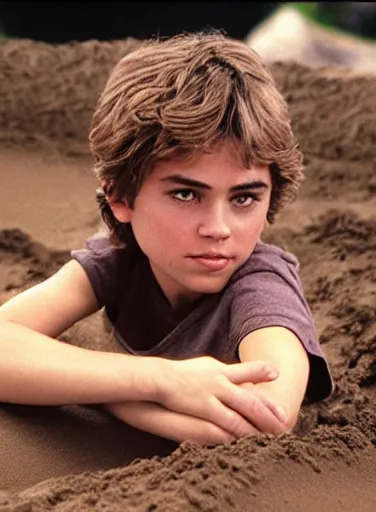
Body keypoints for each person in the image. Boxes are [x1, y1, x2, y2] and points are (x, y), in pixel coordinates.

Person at [0, 30, 333, 446]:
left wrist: (105, 392)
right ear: (121, 197)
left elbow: (266, 420)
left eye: (244, 197)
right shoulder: (121, 257)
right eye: (186, 194)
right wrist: (158, 380)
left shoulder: (262, 285)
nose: (218, 228)